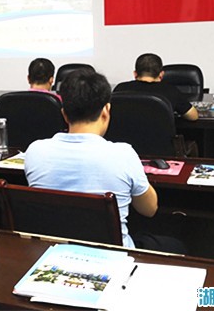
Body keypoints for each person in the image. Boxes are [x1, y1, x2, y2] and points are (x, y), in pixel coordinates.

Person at [24, 69, 158, 248]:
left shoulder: (35, 151)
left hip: (53, 254)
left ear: (64, 114)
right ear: (106, 111)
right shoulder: (123, 154)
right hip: (113, 257)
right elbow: (149, 209)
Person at [114, 53, 198, 121]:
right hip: (160, 137)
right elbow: (193, 116)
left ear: (135, 74)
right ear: (161, 74)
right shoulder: (170, 91)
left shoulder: (120, 89)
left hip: (122, 137)